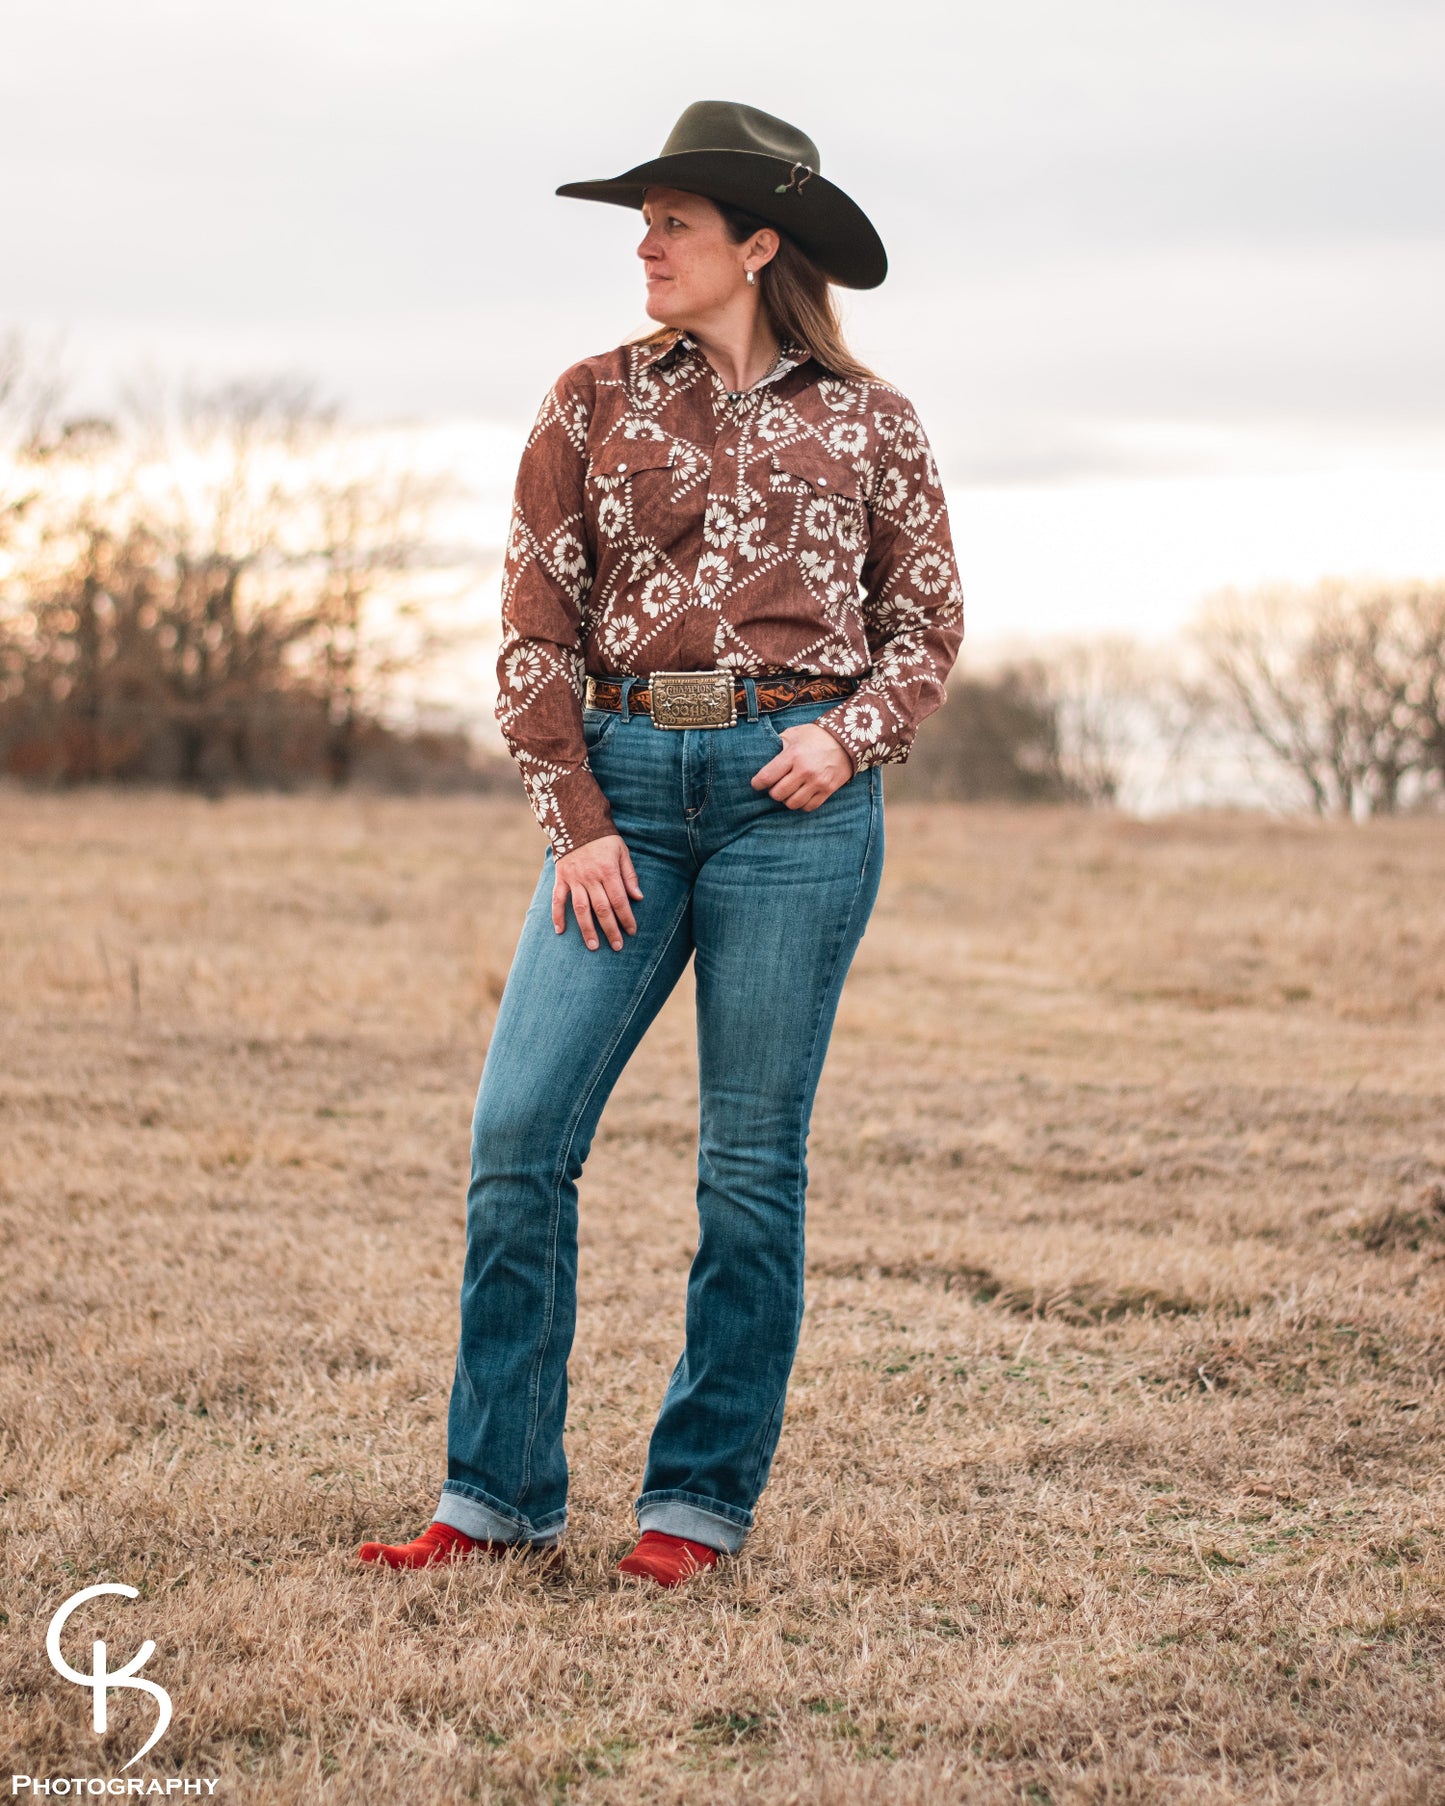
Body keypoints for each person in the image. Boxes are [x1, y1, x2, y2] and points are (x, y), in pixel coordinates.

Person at [359, 99, 963, 1587]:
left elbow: (928, 621)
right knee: (517, 1137)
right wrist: (573, 818)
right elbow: (532, 624)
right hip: (621, 783)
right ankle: (492, 1497)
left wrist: (844, 735)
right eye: (644, 224)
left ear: (757, 245)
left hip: (791, 801)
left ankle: (692, 1505)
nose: (645, 245)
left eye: (672, 223)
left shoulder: (871, 420)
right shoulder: (586, 402)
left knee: (748, 1167)